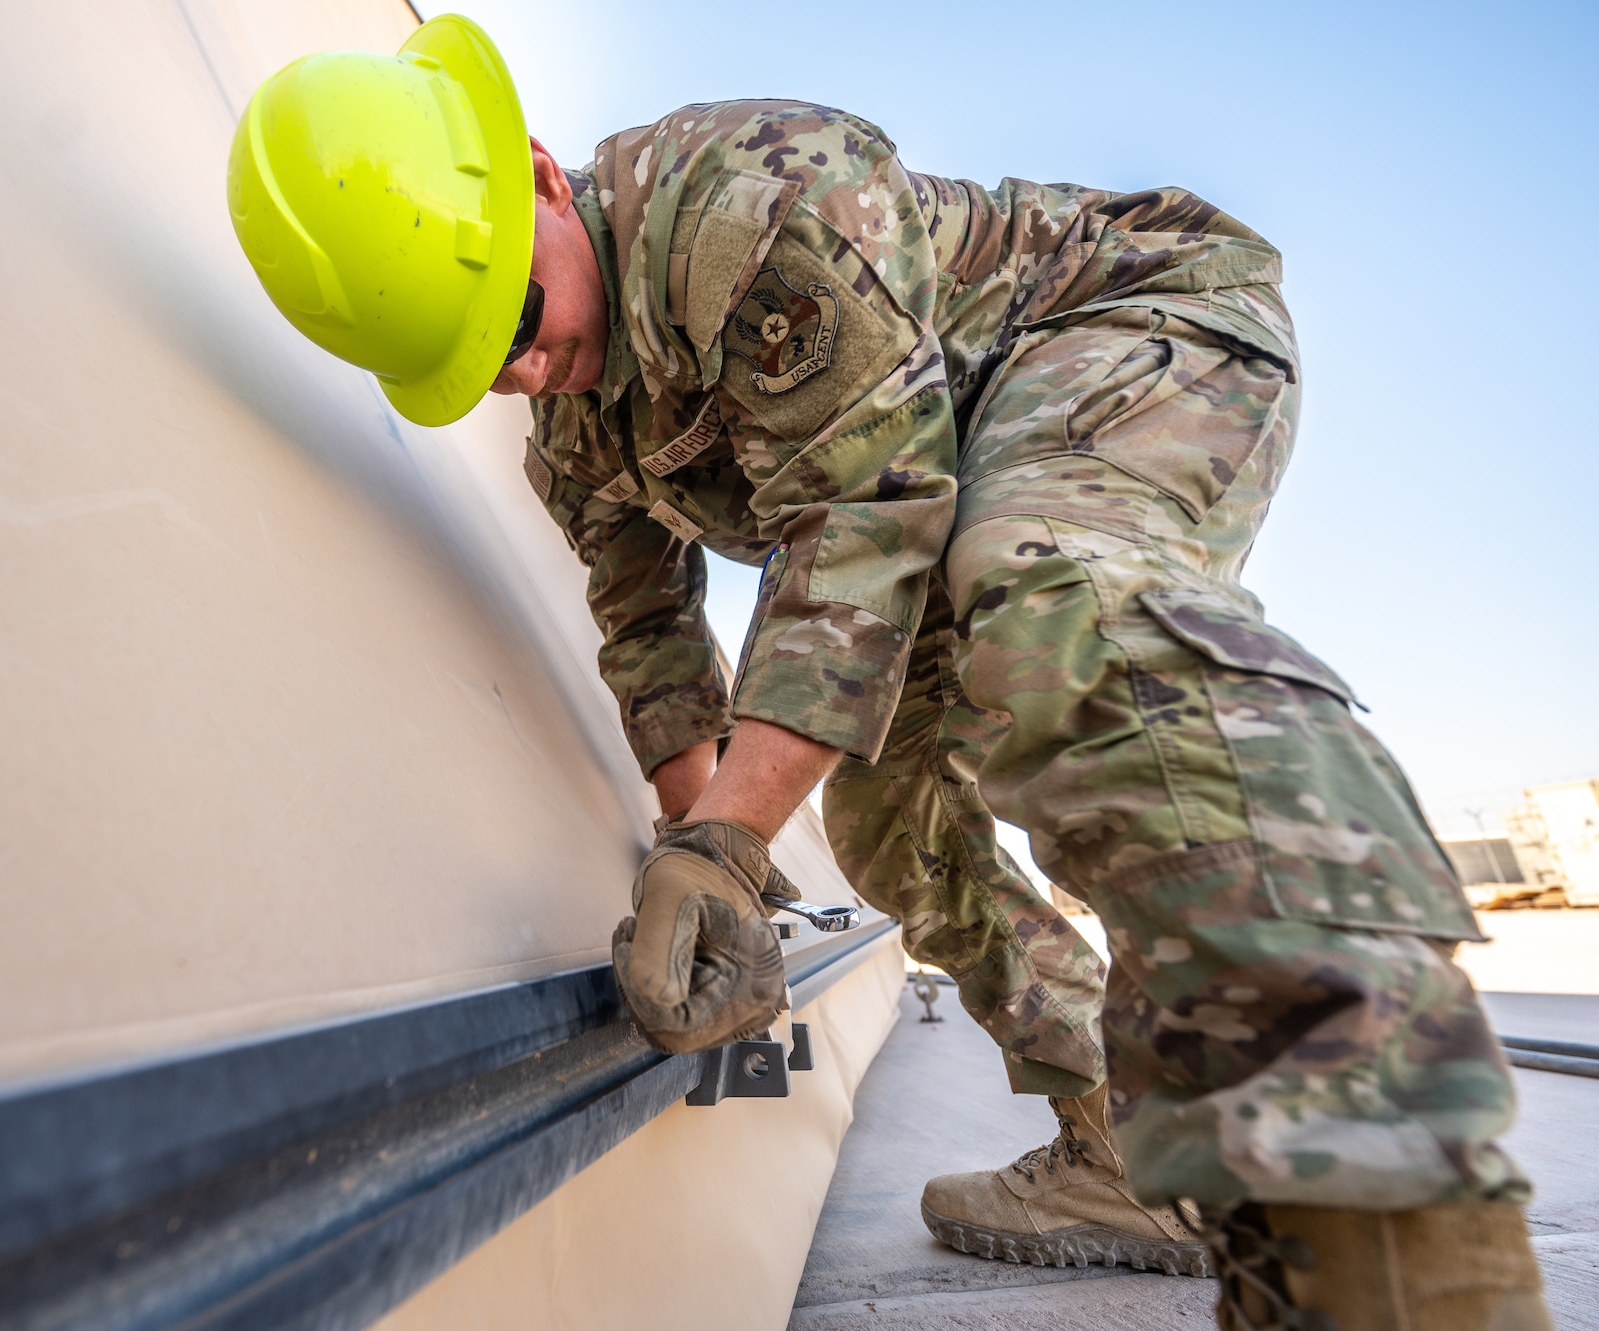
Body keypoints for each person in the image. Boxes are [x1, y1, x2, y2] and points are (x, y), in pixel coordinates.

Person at [226, 16, 1552, 1329]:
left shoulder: (753, 198)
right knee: (881, 813)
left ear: (538, 180)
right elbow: (654, 640)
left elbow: (870, 512)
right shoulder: (570, 432)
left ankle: (1384, 1205)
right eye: (475, 365)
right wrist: (707, 863)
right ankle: (1118, 1157)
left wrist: (735, 841)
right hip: (935, 484)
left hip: (1134, 324)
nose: (523, 366)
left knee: (1052, 598)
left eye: (515, 312)